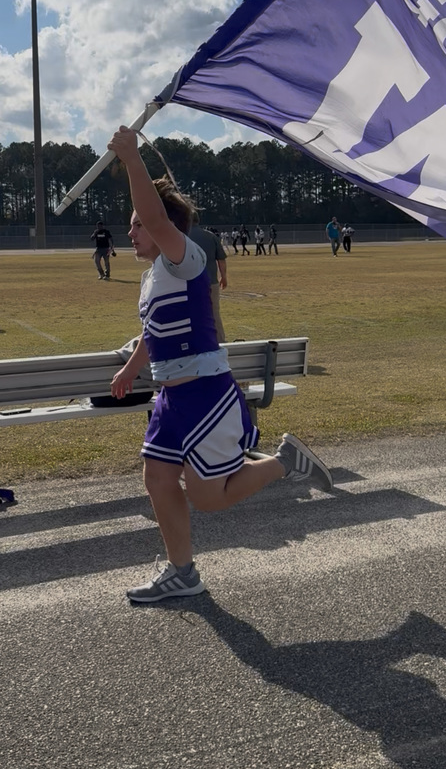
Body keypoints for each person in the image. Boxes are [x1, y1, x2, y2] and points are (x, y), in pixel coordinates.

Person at [107, 125, 332, 603]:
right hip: (171, 398)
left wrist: (131, 159)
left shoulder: (183, 258)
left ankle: (283, 463)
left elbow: (157, 216)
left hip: (205, 393)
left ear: (163, 226)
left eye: (137, 224)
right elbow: (154, 331)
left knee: (208, 498)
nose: (130, 231)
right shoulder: (152, 278)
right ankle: (182, 572)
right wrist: (131, 369)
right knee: (158, 477)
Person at [188, 211, 228, 342]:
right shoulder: (211, 236)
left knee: (189, 313)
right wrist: (224, 276)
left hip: (188, 282)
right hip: (210, 281)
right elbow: (221, 260)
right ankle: (220, 341)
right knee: (214, 313)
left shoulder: (181, 237)